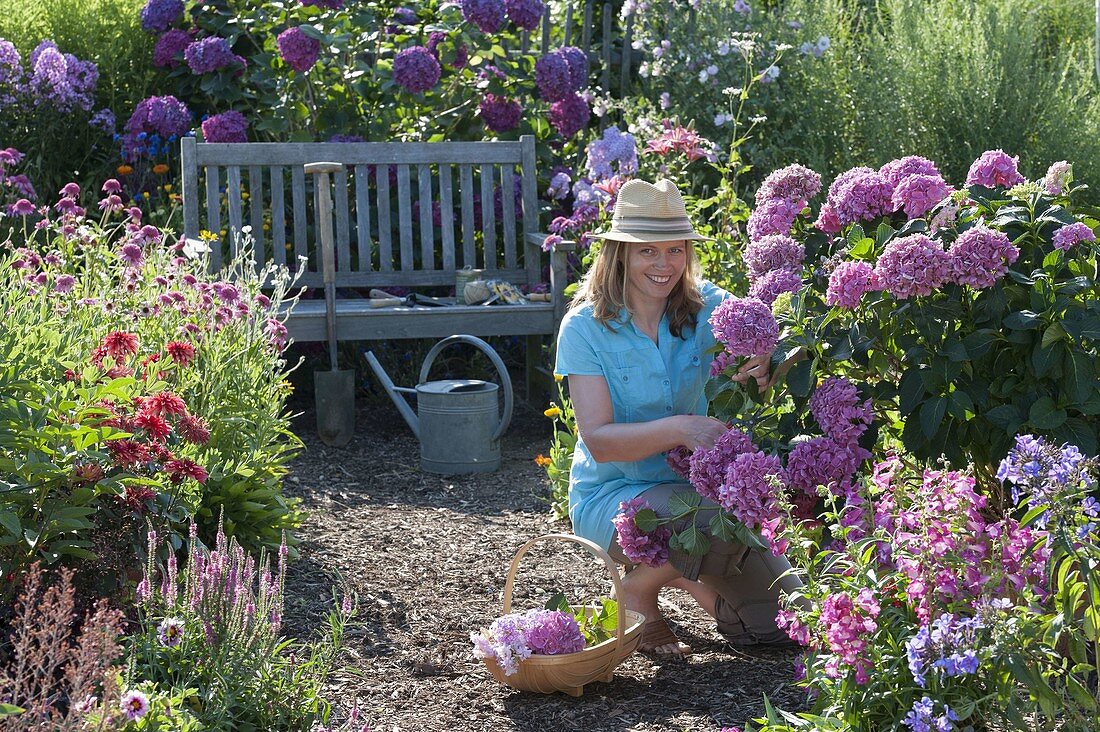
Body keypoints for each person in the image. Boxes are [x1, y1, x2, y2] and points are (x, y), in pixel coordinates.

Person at [554, 178, 800, 658]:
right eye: (648, 251)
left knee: (776, 629)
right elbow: (601, 442)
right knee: (717, 513)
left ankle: (686, 579)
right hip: (616, 497)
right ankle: (638, 590)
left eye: (675, 249)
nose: (664, 265)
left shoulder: (713, 307)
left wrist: (770, 358)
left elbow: (772, 341)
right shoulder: (585, 328)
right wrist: (685, 429)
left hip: (702, 498)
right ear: (619, 254)